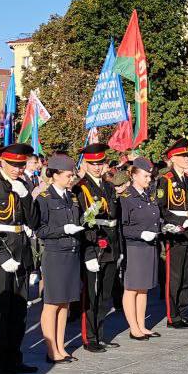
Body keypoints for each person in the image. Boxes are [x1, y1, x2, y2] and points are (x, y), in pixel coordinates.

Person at [0, 142, 41, 374]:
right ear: (2, 161)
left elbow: (33, 221)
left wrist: (26, 198)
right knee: (0, 310)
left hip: (21, 250)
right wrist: (0, 256)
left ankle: (15, 357)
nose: (17, 169)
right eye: (13, 164)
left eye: (21, 165)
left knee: (19, 309)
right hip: (2, 254)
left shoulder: (23, 184)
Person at [34, 154, 84, 363]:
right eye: (67, 175)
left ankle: (60, 345)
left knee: (65, 303)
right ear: (54, 175)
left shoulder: (71, 197)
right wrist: (63, 229)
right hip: (55, 254)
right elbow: (40, 229)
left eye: (72, 175)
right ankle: (51, 348)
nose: (71, 178)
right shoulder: (44, 199)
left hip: (71, 253)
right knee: (52, 303)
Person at [73, 145, 120, 352]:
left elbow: (113, 218)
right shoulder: (80, 187)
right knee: (91, 294)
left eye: (100, 163)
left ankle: (100, 334)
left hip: (110, 245)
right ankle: (89, 337)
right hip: (93, 245)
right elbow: (82, 221)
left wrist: (119, 249)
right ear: (85, 164)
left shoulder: (108, 187)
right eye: (93, 163)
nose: (98, 167)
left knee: (105, 294)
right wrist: (89, 252)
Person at [157, 138, 188, 329]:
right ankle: (172, 316)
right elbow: (162, 208)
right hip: (175, 232)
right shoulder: (165, 180)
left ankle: (182, 312)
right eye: (183, 156)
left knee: (186, 275)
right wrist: (181, 222)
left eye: (187, 155)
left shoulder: (187, 180)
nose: (187, 158)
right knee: (174, 277)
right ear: (173, 158)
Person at [120, 157, 161, 339]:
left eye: (149, 176)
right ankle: (133, 327)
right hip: (134, 246)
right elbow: (123, 226)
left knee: (143, 288)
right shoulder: (126, 197)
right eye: (145, 176)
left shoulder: (148, 195)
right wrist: (140, 233)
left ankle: (142, 325)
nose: (149, 179)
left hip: (149, 246)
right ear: (134, 175)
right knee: (132, 288)